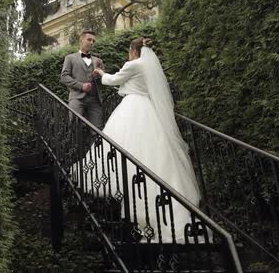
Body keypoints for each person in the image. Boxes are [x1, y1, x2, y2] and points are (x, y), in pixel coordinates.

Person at [86, 37, 201, 243]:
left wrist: (100, 73)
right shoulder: (149, 67)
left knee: (124, 145)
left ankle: (134, 198)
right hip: (149, 110)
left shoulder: (134, 64)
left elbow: (114, 80)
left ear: (133, 50)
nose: (128, 54)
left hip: (133, 108)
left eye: (129, 50)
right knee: (153, 153)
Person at [60, 30, 104, 130]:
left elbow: (103, 80)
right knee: (75, 127)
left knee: (98, 130)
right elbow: (64, 77)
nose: (92, 42)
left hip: (95, 99)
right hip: (76, 98)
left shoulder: (98, 60)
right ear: (81, 40)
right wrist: (81, 86)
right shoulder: (70, 58)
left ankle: (94, 146)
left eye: (93, 41)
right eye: (89, 39)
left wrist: (98, 76)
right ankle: (75, 146)